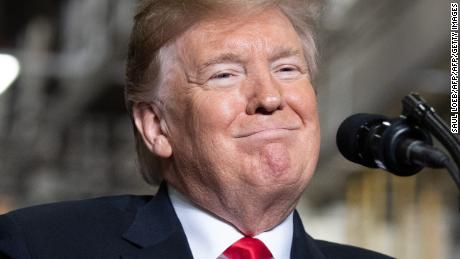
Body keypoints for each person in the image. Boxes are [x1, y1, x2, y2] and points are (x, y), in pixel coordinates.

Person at [0, 0, 393, 258]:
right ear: (156, 126)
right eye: (224, 74)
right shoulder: (40, 246)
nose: (270, 97)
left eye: (287, 69)